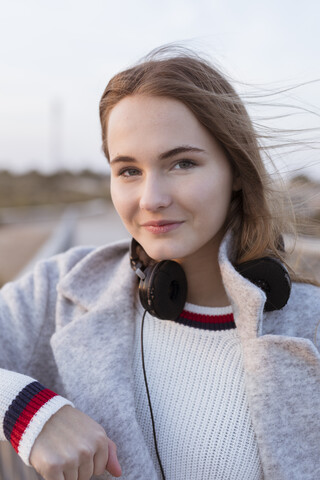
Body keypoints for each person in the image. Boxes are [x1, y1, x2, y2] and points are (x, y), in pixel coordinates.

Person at [1, 45, 320, 480]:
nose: (151, 200)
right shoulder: (62, 289)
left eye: (182, 163)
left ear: (238, 174)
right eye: (129, 170)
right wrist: (27, 410)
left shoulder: (311, 324)